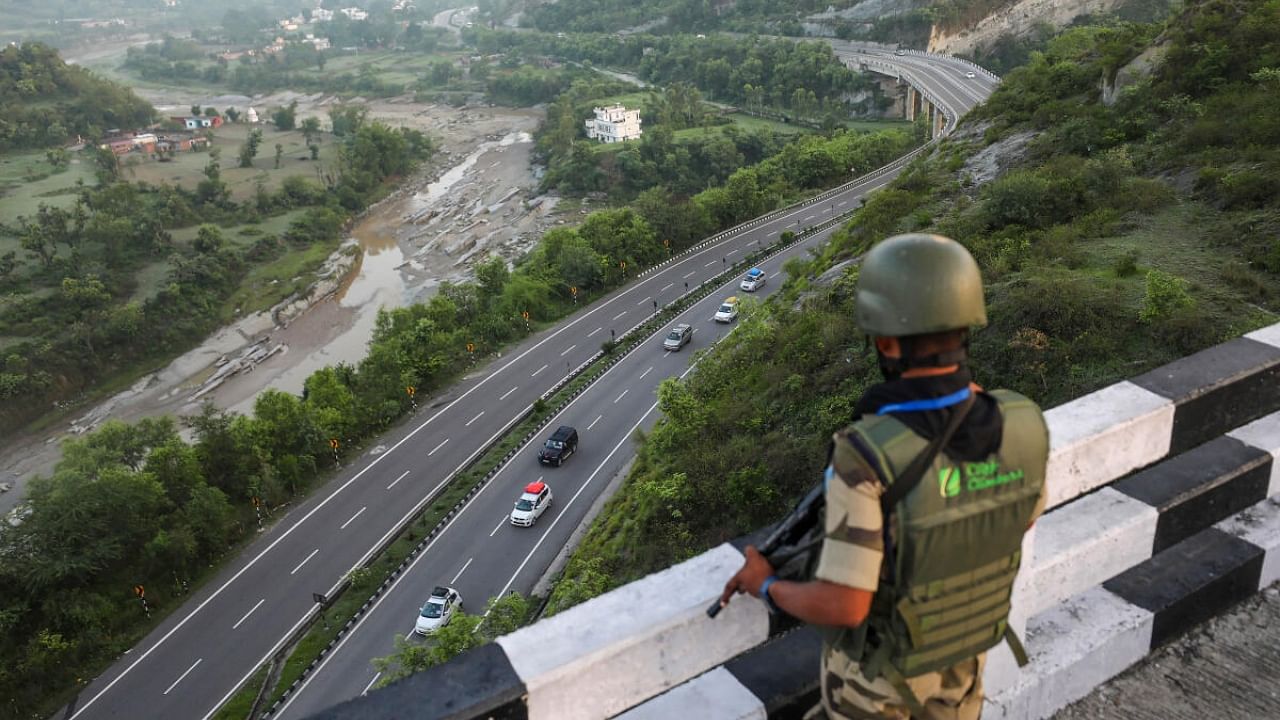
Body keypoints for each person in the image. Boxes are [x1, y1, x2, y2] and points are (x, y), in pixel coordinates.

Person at [720, 233, 1049, 720]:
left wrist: (765, 585)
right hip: (963, 676)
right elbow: (1014, 520)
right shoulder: (1023, 423)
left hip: (879, 695)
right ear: (966, 323)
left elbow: (845, 606)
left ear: (888, 340)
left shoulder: (867, 453)